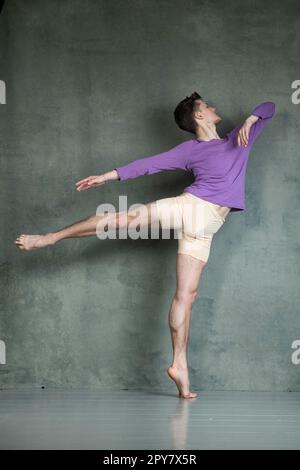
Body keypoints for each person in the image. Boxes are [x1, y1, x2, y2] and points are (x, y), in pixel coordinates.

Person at [14, 93, 275, 398]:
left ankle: (180, 367)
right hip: (191, 207)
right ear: (198, 117)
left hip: (207, 228)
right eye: (206, 106)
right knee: (122, 220)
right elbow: (149, 165)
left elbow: (269, 107)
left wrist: (252, 118)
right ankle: (51, 237)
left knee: (186, 296)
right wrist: (107, 176)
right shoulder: (190, 150)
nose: (214, 107)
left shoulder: (238, 139)